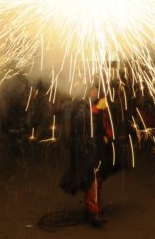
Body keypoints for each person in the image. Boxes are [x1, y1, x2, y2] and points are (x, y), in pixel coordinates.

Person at [59, 86, 119, 227]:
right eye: (93, 90)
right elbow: (84, 121)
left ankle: (93, 208)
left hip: (95, 148)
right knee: (93, 179)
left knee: (96, 179)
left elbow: (103, 123)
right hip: (87, 150)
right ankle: (93, 212)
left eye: (97, 90)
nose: (96, 92)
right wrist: (97, 110)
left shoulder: (94, 104)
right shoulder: (81, 106)